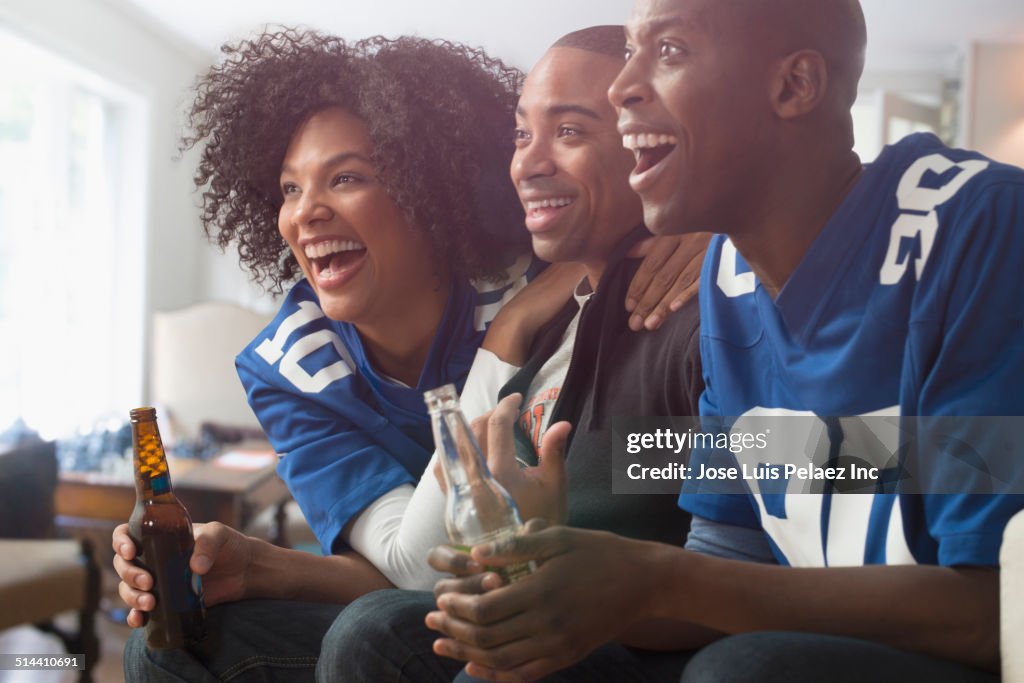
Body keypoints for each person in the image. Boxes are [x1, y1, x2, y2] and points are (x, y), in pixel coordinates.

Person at [406, 0, 1024, 681]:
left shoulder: (973, 226)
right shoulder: (723, 276)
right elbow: (745, 538)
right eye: (522, 135)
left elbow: (990, 604)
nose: (623, 89)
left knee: (743, 667)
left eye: (668, 52)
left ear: (794, 86)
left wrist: (645, 560)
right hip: (783, 614)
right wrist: (562, 579)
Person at [113, 28, 700, 683]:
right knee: (166, 644)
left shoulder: (680, 307)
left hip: (607, 630)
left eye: (570, 130)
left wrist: (715, 225)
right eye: (521, 136)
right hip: (492, 601)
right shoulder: (557, 334)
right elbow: (412, 566)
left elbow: (805, 480)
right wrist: (257, 565)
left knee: (377, 635)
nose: (529, 167)